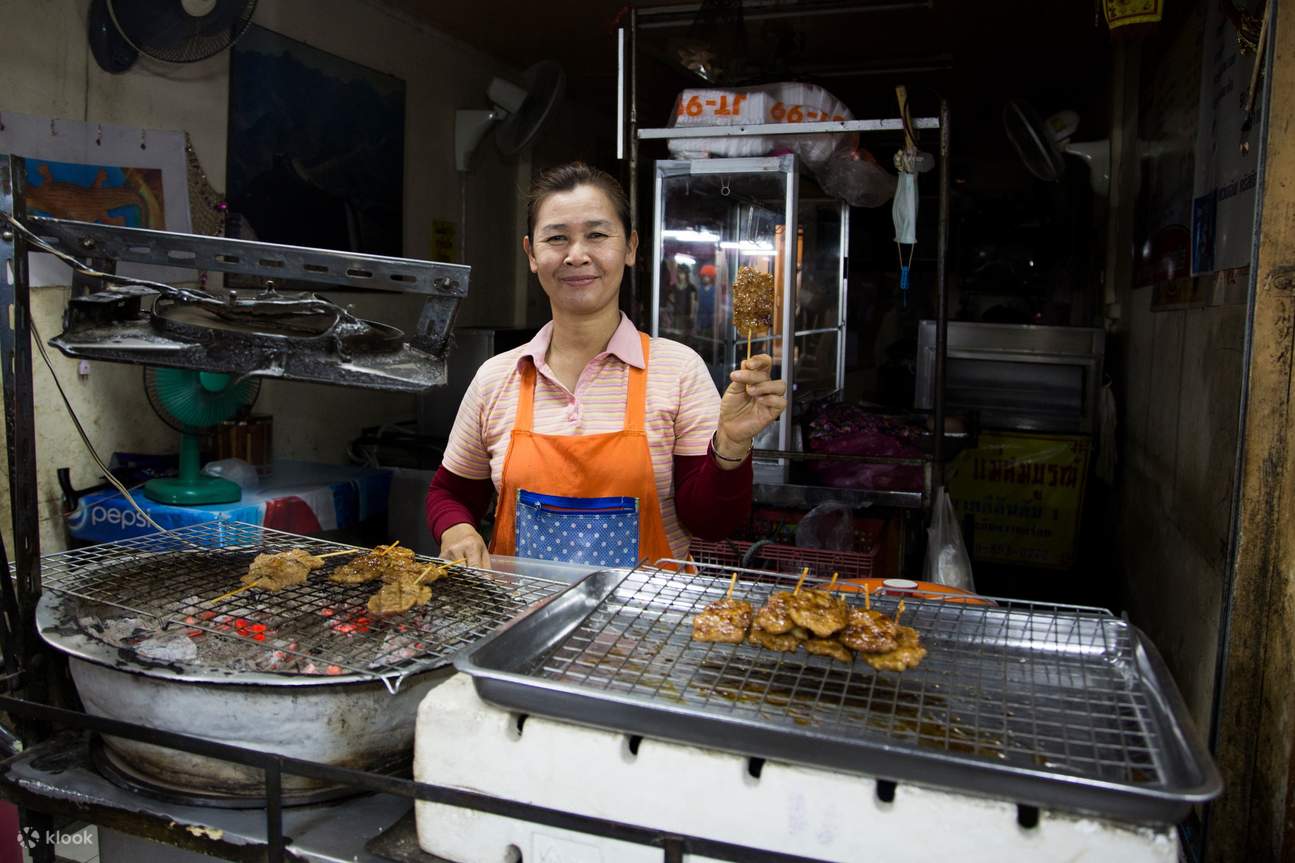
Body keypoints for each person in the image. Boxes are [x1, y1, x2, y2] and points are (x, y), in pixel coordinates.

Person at [426, 162, 787, 569]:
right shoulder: (497, 377)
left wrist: (731, 446)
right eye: (557, 238)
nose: (576, 255)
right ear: (531, 254)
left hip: (647, 609)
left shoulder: (679, 371)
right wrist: (456, 528)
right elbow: (449, 493)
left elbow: (711, 523)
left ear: (630, 247)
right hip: (522, 608)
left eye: (597, 235)